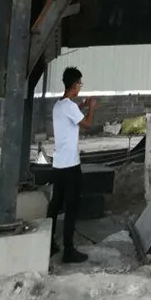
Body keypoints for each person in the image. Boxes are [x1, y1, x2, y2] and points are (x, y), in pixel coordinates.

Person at [47, 66, 96, 262]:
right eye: (80, 84)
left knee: (55, 205)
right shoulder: (70, 107)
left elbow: (73, 113)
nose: (80, 87)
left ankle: (49, 243)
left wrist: (82, 105)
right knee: (72, 207)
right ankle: (68, 250)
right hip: (71, 166)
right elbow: (87, 125)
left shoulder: (59, 105)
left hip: (58, 165)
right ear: (75, 85)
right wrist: (91, 107)